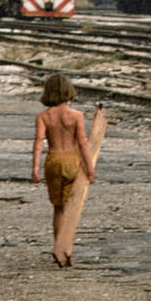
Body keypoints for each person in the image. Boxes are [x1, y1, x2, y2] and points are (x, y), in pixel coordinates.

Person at [30, 72, 108, 268]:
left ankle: (58, 247)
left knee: (57, 207)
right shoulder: (76, 115)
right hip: (72, 160)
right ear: (68, 91)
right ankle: (66, 249)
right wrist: (90, 169)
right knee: (71, 206)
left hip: (53, 159)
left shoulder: (43, 116)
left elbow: (39, 142)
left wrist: (35, 169)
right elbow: (83, 144)